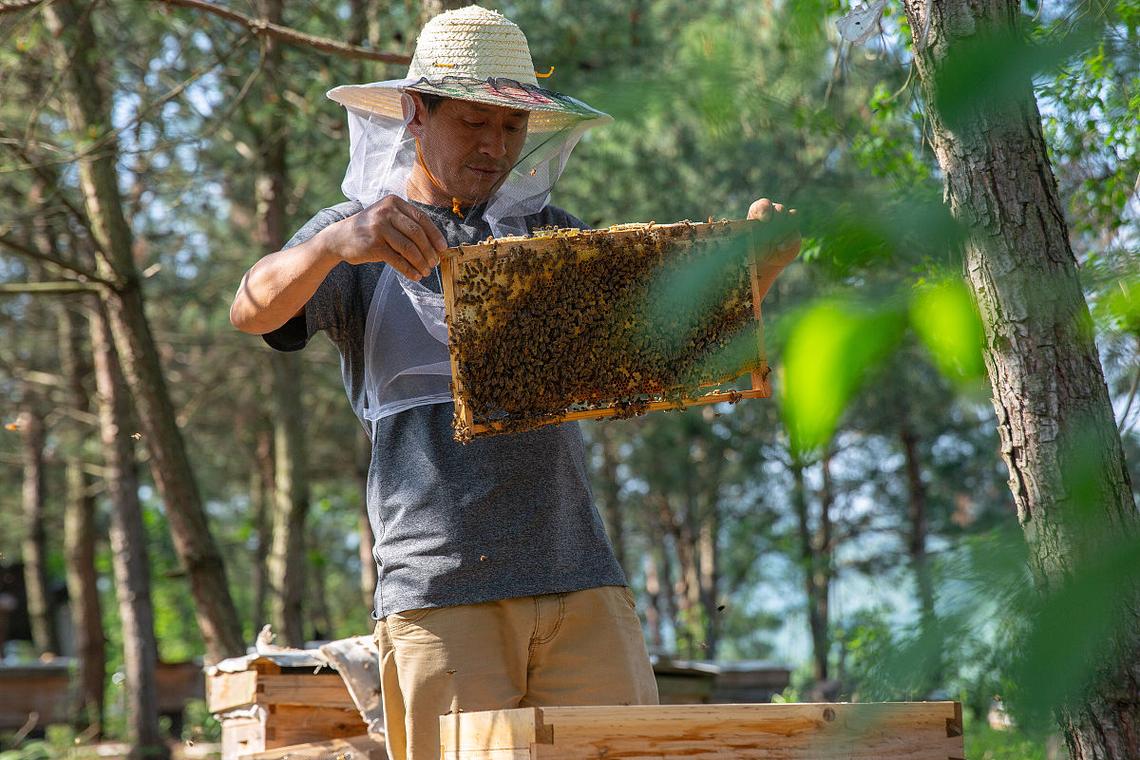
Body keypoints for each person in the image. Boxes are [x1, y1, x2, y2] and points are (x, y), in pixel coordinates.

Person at [230, 6, 799, 760]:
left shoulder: (549, 233)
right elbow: (251, 307)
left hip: (582, 576)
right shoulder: (358, 234)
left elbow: (650, 362)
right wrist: (336, 245)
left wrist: (753, 275)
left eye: (510, 128)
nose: (493, 146)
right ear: (414, 113)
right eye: (472, 123)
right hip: (440, 589)